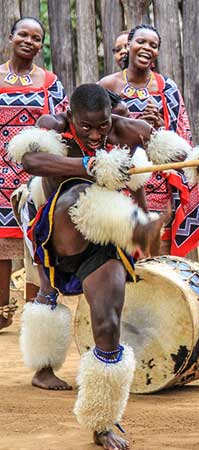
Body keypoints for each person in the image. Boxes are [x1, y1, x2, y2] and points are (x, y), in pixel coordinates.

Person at [10, 83, 199, 450]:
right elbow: (30, 162)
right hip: (52, 219)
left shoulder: (128, 130)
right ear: (72, 118)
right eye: (86, 127)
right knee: (49, 287)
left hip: (103, 230)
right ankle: (43, 367)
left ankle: (103, 420)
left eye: (102, 126)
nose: (96, 134)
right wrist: (88, 164)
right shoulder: (54, 125)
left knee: (108, 322)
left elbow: (177, 157)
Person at [98, 23, 199, 258]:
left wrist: (157, 129)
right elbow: (94, 133)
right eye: (141, 42)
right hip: (118, 179)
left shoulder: (167, 89)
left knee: (156, 260)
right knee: (116, 256)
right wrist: (135, 126)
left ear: (157, 53)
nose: (147, 47)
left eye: (153, 45)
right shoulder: (107, 86)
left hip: (159, 182)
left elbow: (181, 135)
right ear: (129, 47)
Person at [0, 17, 68, 331]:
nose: (30, 41)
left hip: (34, 176)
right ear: (11, 37)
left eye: (37, 38)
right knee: (0, 245)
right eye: (23, 35)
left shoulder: (50, 81)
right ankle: (1, 311)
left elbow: (62, 126)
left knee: (35, 241)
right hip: (0, 173)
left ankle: (34, 309)